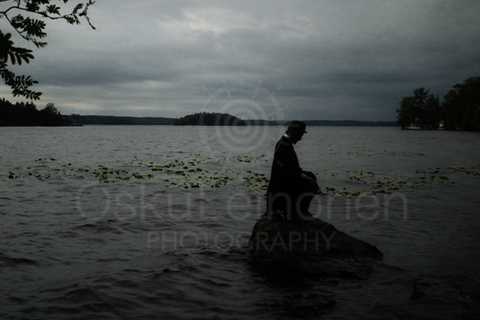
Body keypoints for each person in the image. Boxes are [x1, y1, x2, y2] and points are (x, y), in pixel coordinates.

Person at [266, 121, 320, 221]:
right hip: (281, 187)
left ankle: (298, 210)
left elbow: (291, 168)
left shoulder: (285, 143)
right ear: (293, 132)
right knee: (310, 183)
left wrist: (304, 175)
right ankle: (296, 212)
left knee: (311, 176)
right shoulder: (284, 146)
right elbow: (288, 172)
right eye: (299, 134)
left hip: (284, 183)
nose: (300, 138)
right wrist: (305, 177)